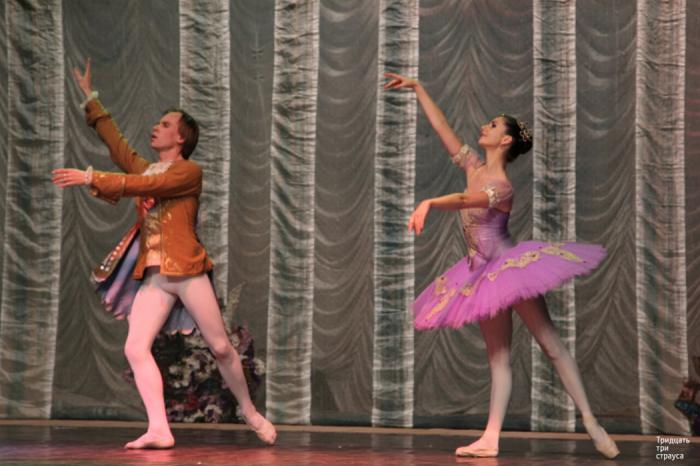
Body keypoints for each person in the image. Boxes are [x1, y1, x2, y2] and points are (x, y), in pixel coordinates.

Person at [384, 72, 619, 459]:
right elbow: (442, 129)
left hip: (509, 268)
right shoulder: (473, 166)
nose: (485, 126)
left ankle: (592, 421)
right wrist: (418, 88)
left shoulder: (502, 186)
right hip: (480, 273)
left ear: (506, 140)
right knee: (498, 357)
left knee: (550, 344)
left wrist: (428, 203)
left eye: (493, 125)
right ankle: (490, 437)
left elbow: (465, 201)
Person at [52, 59, 276, 449]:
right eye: (158, 122)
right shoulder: (148, 169)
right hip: (155, 276)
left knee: (221, 347)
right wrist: (91, 98)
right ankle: (159, 428)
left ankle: (250, 412)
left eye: (166, 123)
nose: (157, 127)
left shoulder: (188, 172)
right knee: (134, 347)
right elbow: (118, 146)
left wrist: (90, 177)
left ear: (181, 138)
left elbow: (146, 185)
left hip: (187, 272)